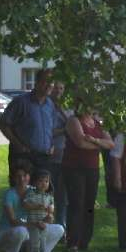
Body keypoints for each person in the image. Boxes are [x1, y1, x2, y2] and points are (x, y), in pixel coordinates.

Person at [61, 104, 114, 252]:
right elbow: (80, 143)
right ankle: (73, 241)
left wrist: (95, 140)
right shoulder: (74, 121)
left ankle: (85, 241)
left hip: (92, 168)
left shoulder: (97, 123)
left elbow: (110, 144)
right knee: (76, 203)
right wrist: (100, 144)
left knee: (89, 204)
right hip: (74, 167)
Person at [0, 68, 56, 179]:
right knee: (21, 189)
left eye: (51, 82)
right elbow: (2, 123)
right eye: (46, 81)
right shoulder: (21, 102)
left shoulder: (50, 104)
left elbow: (51, 128)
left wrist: (52, 144)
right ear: (37, 83)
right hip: (23, 157)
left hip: (44, 157)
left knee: (41, 190)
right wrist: (18, 144)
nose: (49, 85)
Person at [23, 169, 59, 252]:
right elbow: (25, 205)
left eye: (46, 181)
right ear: (34, 182)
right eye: (40, 181)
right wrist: (36, 206)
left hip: (44, 223)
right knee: (35, 241)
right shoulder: (31, 193)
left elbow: (52, 208)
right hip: (33, 223)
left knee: (43, 241)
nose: (44, 183)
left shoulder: (49, 196)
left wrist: (50, 211)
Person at [50, 81, 70, 229]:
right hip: (50, 156)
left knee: (62, 194)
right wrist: (64, 130)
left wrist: (61, 110)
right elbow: (48, 131)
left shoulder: (67, 109)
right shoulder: (46, 108)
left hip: (64, 156)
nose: (58, 91)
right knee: (48, 192)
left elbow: (72, 126)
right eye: (56, 88)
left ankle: (61, 226)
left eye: (61, 88)